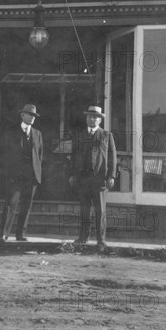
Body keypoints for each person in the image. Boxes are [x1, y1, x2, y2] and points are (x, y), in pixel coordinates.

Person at [69, 106, 117, 252]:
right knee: (85, 210)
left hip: (100, 180)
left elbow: (112, 157)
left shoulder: (106, 135)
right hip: (83, 179)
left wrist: (111, 176)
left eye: (95, 117)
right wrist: (72, 175)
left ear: (100, 119)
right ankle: (83, 237)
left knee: (100, 211)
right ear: (86, 118)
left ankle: (101, 240)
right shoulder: (79, 135)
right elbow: (73, 157)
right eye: (89, 116)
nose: (91, 119)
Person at [0, 104, 43, 243]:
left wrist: (37, 172)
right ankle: (3, 234)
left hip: (31, 176)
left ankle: (20, 234)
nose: (32, 118)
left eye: (34, 116)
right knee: (11, 204)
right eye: (30, 115)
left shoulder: (37, 134)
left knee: (26, 205)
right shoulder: (11, 132)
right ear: (22, 115)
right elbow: (5, 153)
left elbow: (39, 155)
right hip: (15, 176)